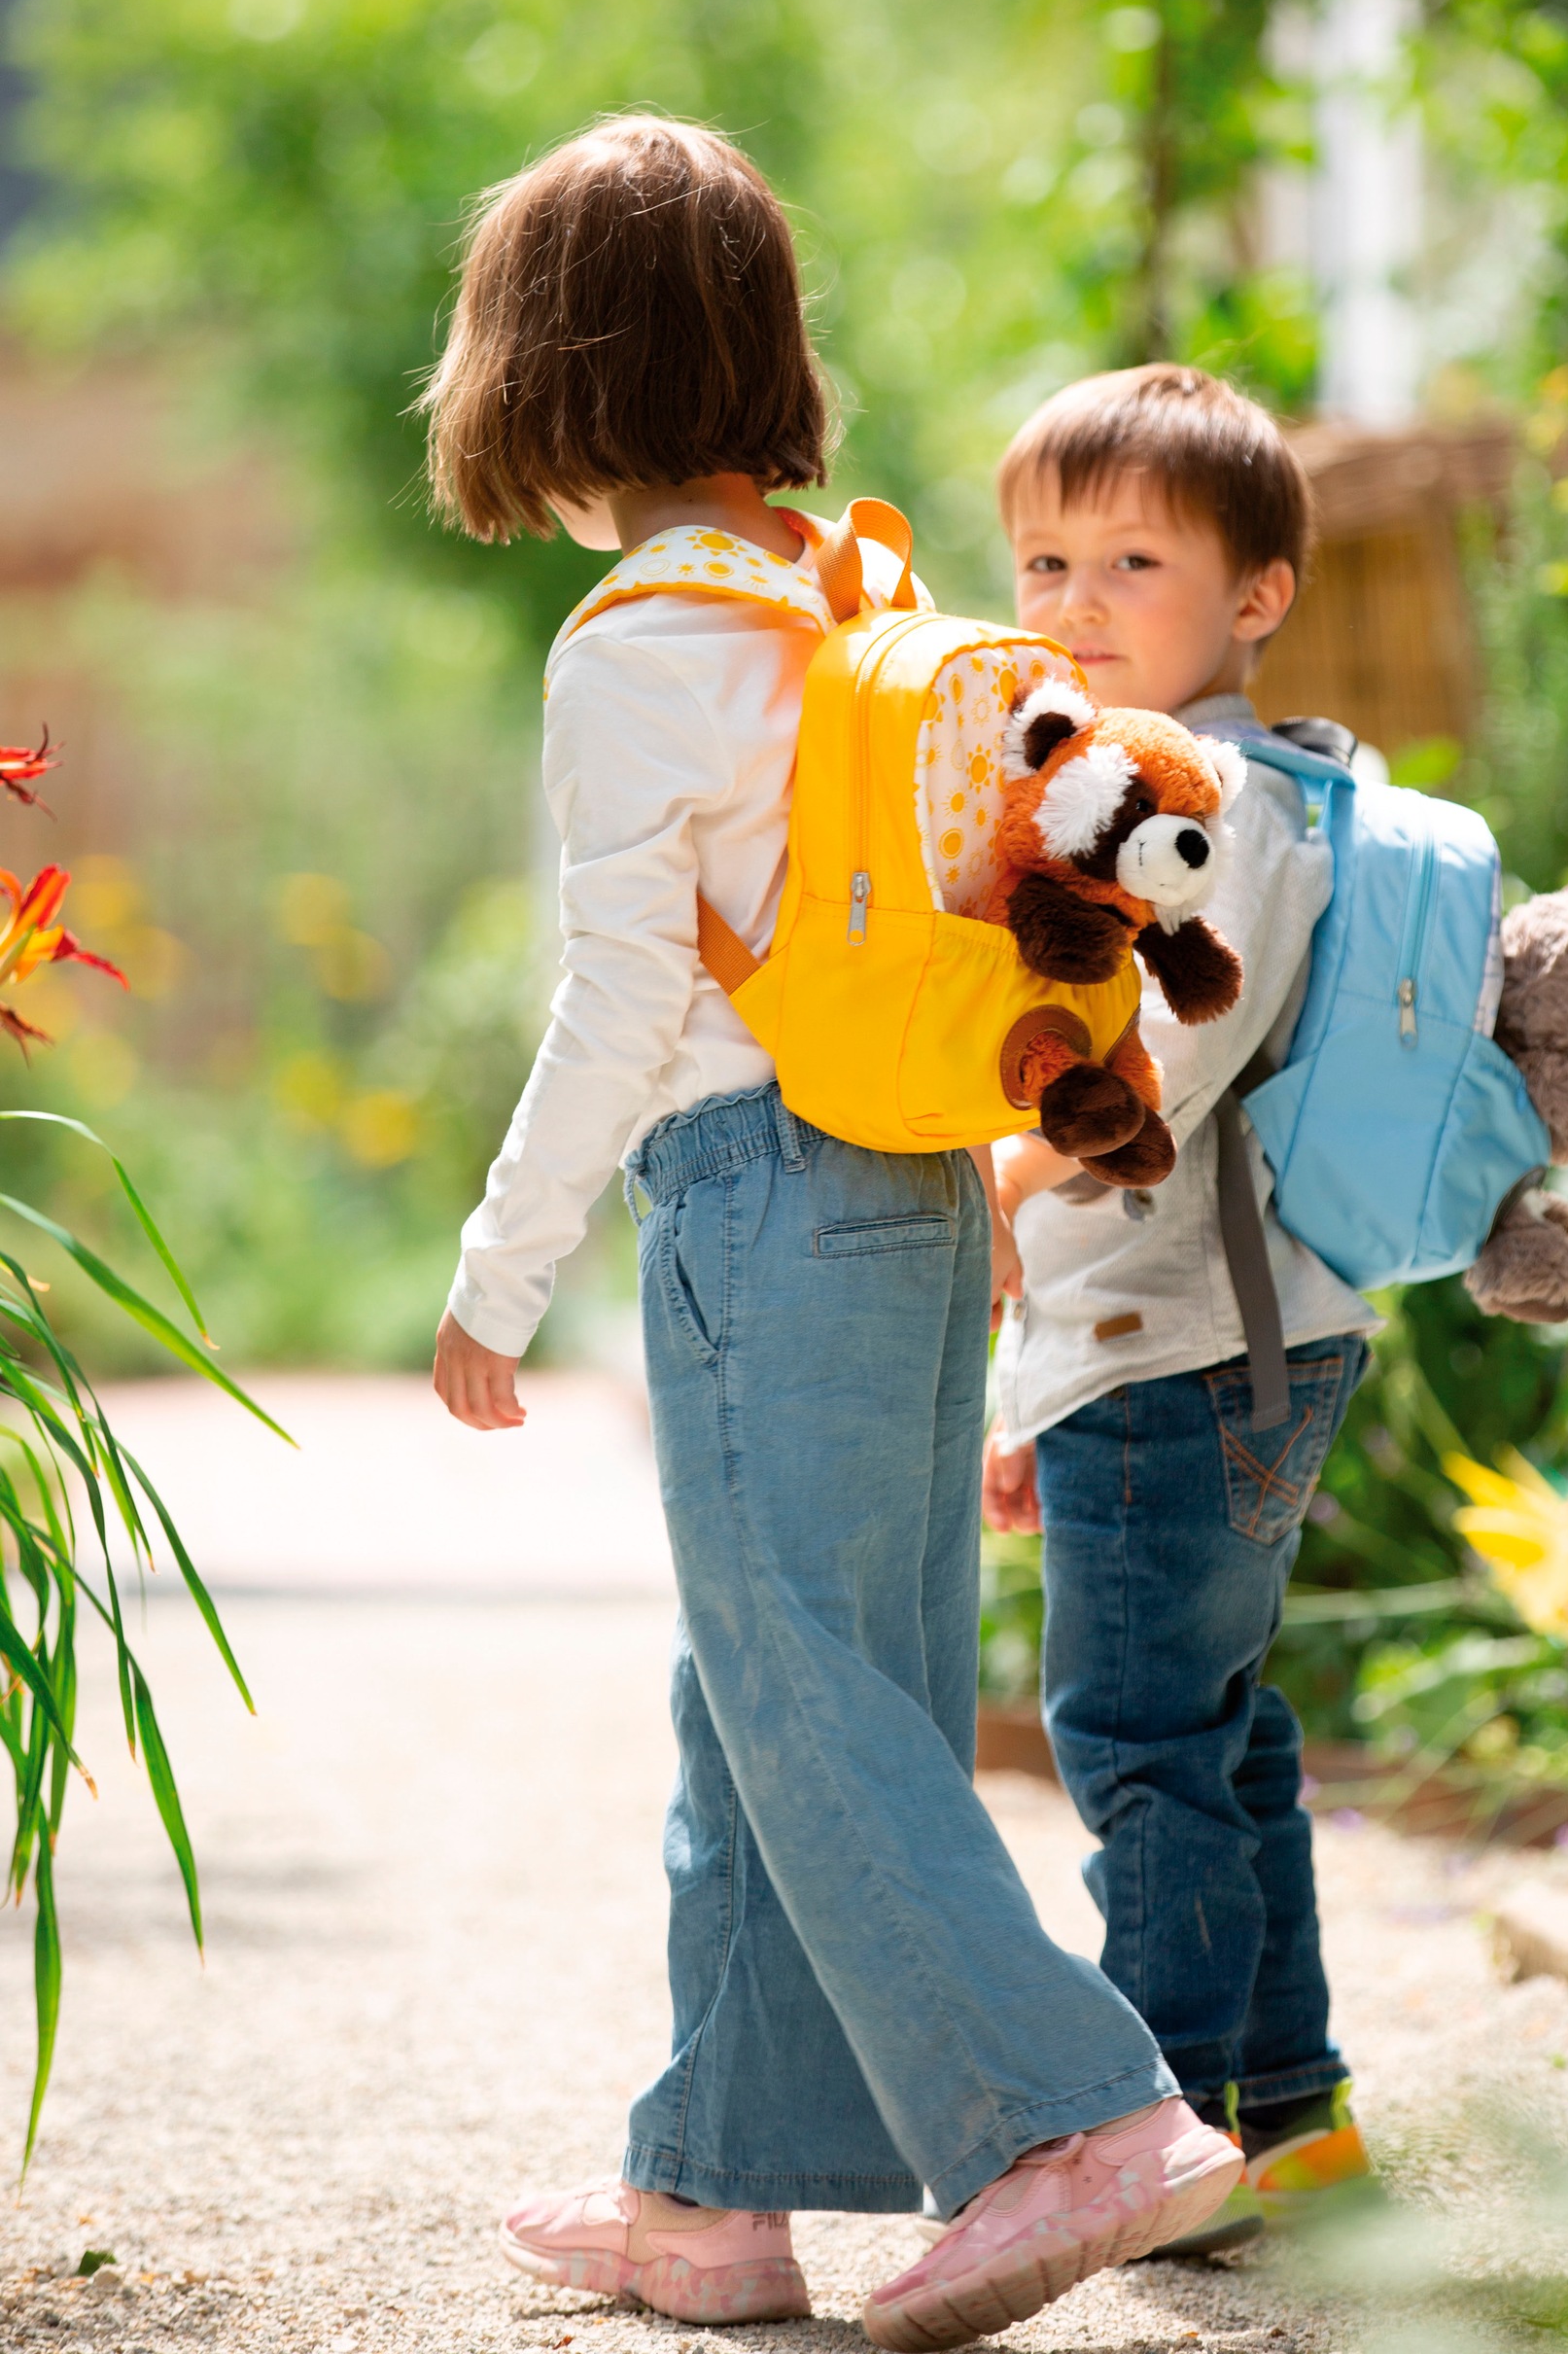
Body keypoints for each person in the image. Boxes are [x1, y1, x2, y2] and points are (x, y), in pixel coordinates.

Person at [425, 121, 1239, 2347]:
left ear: (542, 375)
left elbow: (617, 1004)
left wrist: (502, 1264)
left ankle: (1071, 2119)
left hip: (753, 1200)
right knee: (795, 1681)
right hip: (906, 1181)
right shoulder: (848, 598)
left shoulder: (633, 651)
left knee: (794, 1687)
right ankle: (714, 2185)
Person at [986, 364, 1379, 2255]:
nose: (1072, 595)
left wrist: (991, 1179)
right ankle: (1288, 2119)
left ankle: (1174, 2129)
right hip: (1228, 1332)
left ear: (1254, 592)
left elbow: (1165, 1054)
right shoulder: (1248, 776)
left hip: (1172, 1341)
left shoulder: (1203, 790)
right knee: (1217, 1727)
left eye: (1131, 555)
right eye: (1044, 553)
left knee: (1134, 1732)